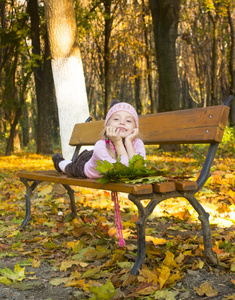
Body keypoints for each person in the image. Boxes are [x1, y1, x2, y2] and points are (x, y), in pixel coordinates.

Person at [52, 101, 146, 178]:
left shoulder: (137, 143)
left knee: (70, 166)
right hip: (84, 166)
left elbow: (139, 170)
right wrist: (118, 142)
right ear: (107, 126)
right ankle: (59, 162)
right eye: (116, 119)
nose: (122, 122)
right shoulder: (101, 146)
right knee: (69, 168)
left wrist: (128, 142)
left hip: (97, 159)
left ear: (135, 127)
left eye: (128, 120)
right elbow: (121, 171)